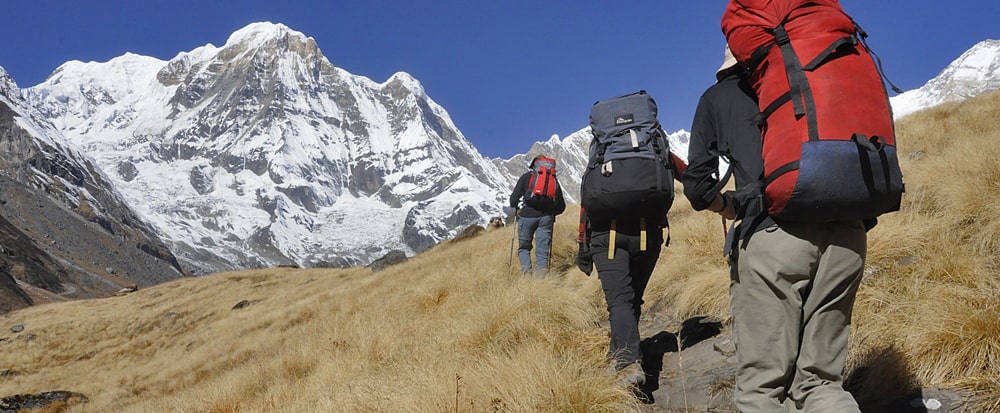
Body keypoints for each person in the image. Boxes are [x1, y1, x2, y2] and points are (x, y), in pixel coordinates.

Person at [683, 46, 867, 412]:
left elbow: (698, 186)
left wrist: (730, 205)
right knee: (821, 383)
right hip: (847, 234)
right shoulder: (826, 71)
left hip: (772, 234)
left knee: (762, 390)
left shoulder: (719, 96)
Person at [509, 155, 566, 277]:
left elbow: (513, 199)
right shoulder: (553, 180)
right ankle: (540, 281)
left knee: (524, 248)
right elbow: (561, 206)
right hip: (546, 218)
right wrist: (551, 213)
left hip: (527, 217)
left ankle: (527, 275)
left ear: (533, 166)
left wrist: (516, 206)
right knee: (542, 251)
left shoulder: (527, 177)